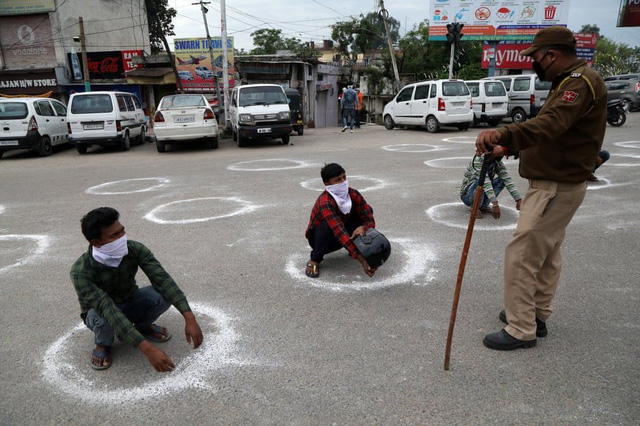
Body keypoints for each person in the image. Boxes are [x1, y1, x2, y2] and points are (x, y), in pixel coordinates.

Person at [475, 27, 607, 350]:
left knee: (521, 254)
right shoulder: (570, 80)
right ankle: (536, 313)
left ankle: (522, 328)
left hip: (555, 186)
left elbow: (551, 125)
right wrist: (510, 149)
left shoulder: (579, 82)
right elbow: (556, 137)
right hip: (560, 182)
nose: (534, 63)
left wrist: (505, 135)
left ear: (552, 54)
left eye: (535, 57)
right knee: (546, 253)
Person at [71, 207, 204, 371]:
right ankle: (103, 344)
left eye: (122, 231)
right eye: (114, 235)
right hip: (101, 312)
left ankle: (142, 327)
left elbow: (162, 279)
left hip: (130, 300)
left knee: (161, 295)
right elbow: (107, 308)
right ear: (96, 242)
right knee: (102, 318)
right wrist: (147, 348)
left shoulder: (134, 249)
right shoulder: (81, 271)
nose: (122, 238)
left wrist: (189, 317)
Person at [305, 163, 377, 278]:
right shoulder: (325, 201)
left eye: (344, 177)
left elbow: (369, 219)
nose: (343, 182)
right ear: (327, 184)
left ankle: (355, 247)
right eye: (337, 180)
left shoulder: (353, 194)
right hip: (323, 240)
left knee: (368, 210)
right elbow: (338, 231)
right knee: (328, 226)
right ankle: (314, 259)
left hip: (343, 233)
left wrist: (363, 227)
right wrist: (362, 261)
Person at [460, 154, 522, 219]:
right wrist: (495, 203)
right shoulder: (478, 160)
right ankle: (475, 207)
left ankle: (483, 206)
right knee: (481, 180)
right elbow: (485, 182)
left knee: (502, 180)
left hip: (482, 191)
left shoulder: (496, 161)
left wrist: (518, 199)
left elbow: (506, 178)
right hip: (468, 195)